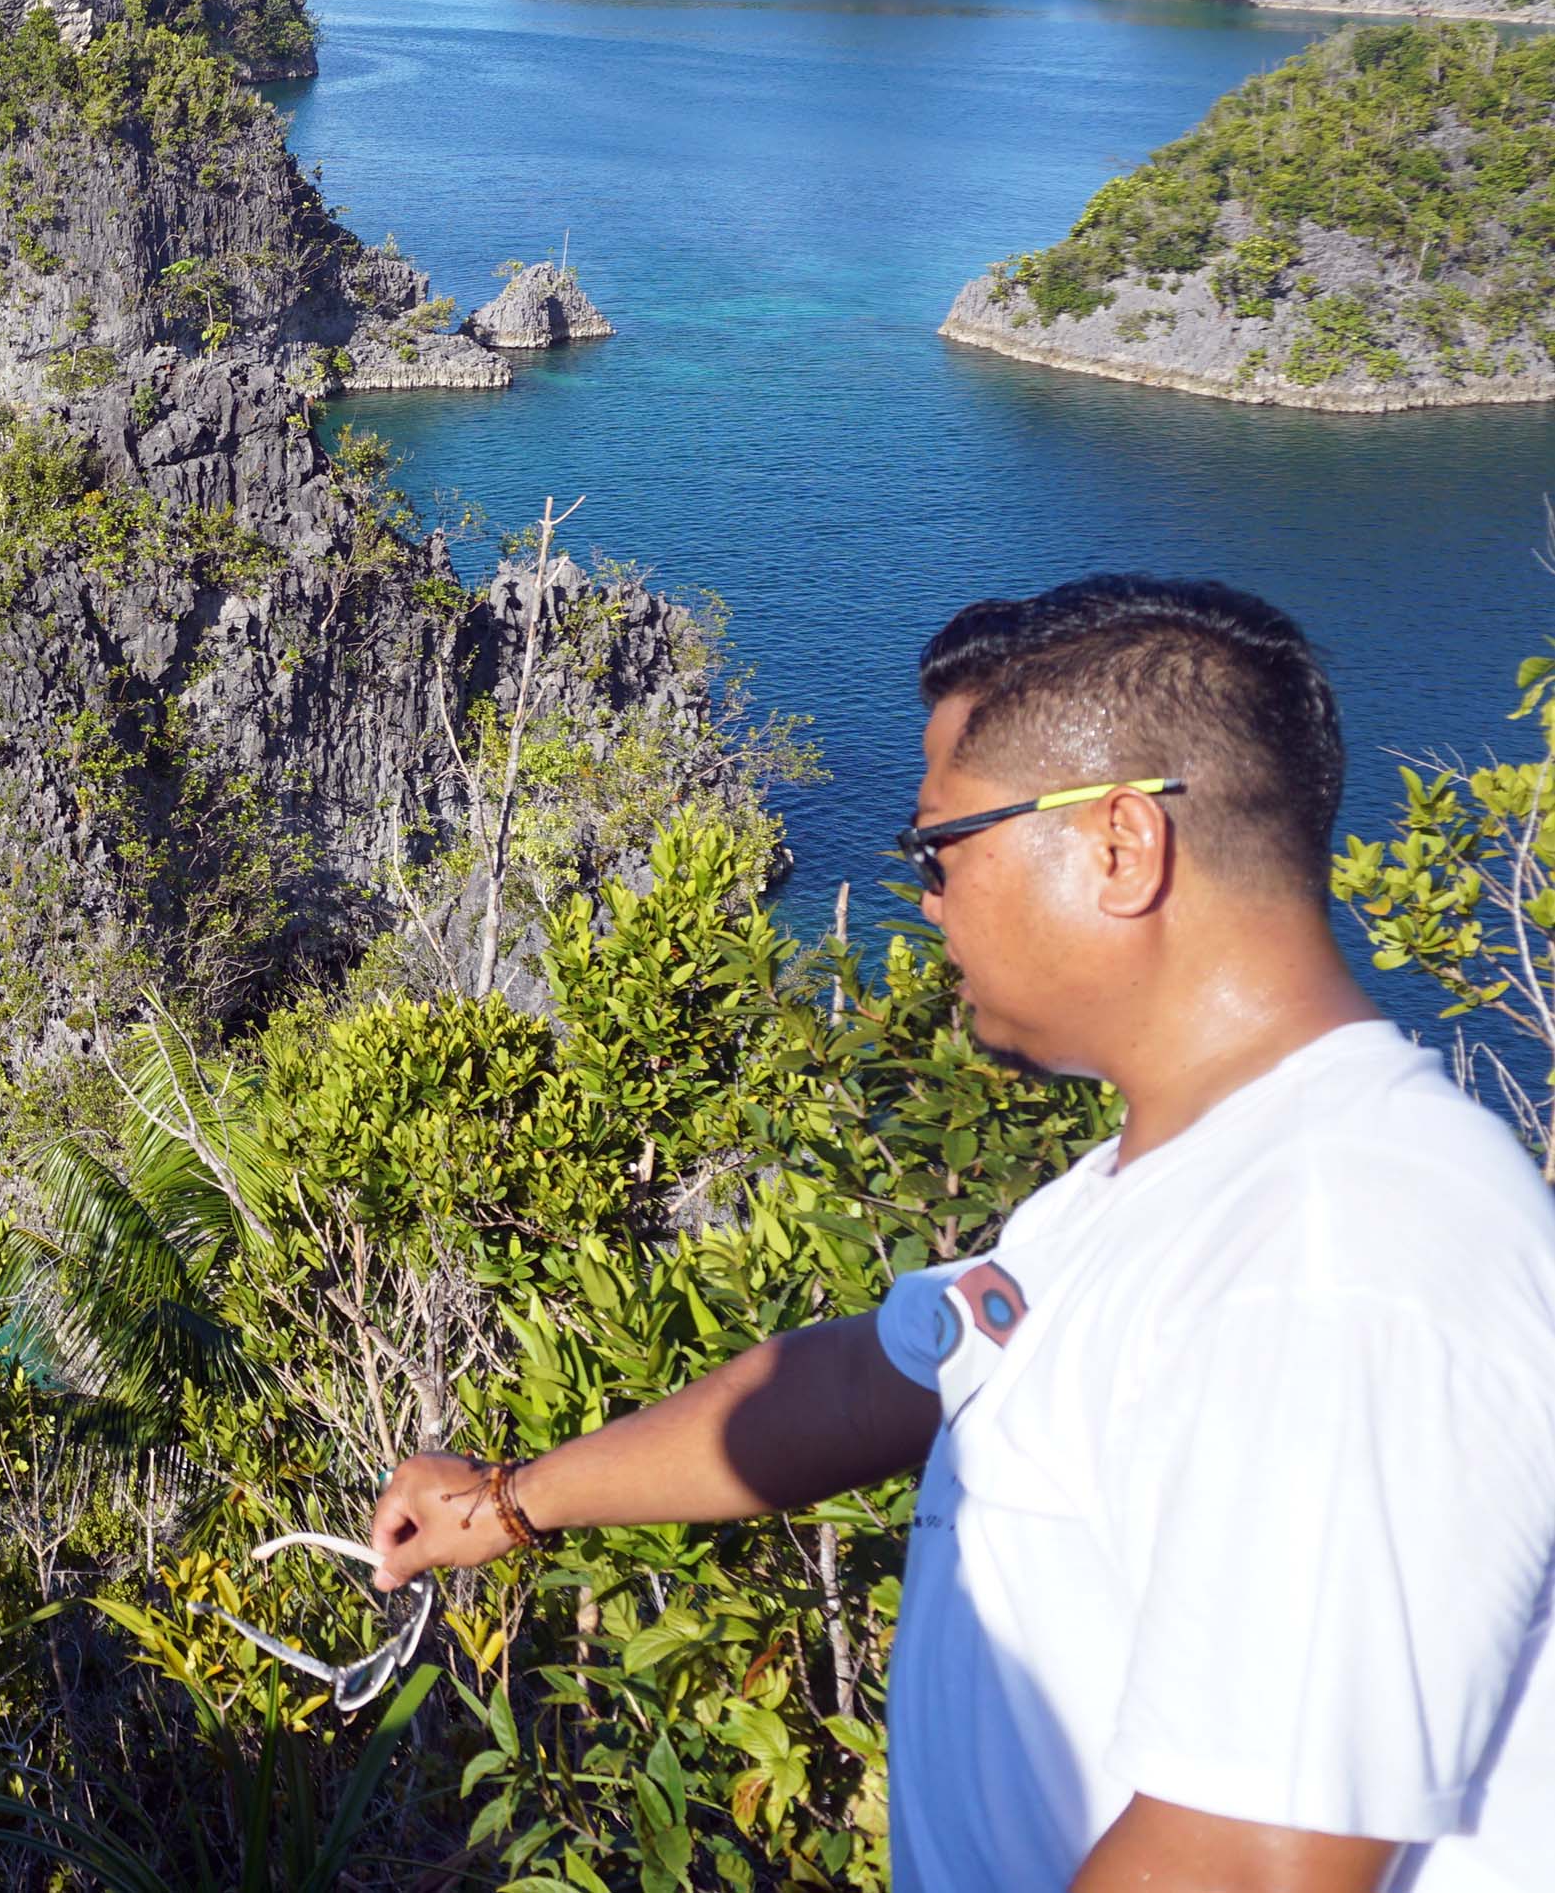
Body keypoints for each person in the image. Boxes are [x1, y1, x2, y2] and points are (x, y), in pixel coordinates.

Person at [370, 575, 1555, 1891]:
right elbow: (864, 1383)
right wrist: (510, 1503)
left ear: (1120, 845)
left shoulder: (1338, 1255)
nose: (927, 899)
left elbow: (1245, 1860)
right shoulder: (1140, 1199)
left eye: (940, 848)